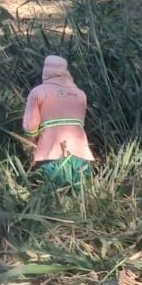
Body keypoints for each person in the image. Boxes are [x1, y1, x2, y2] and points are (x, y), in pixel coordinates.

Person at [23, 55, 94, 190]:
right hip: (80, 154)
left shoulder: (38, 92)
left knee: (51, 201)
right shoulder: (80, 94)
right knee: (81, 198)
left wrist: (31, 144)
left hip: (50, 154)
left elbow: (30, 126)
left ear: (45, 70)